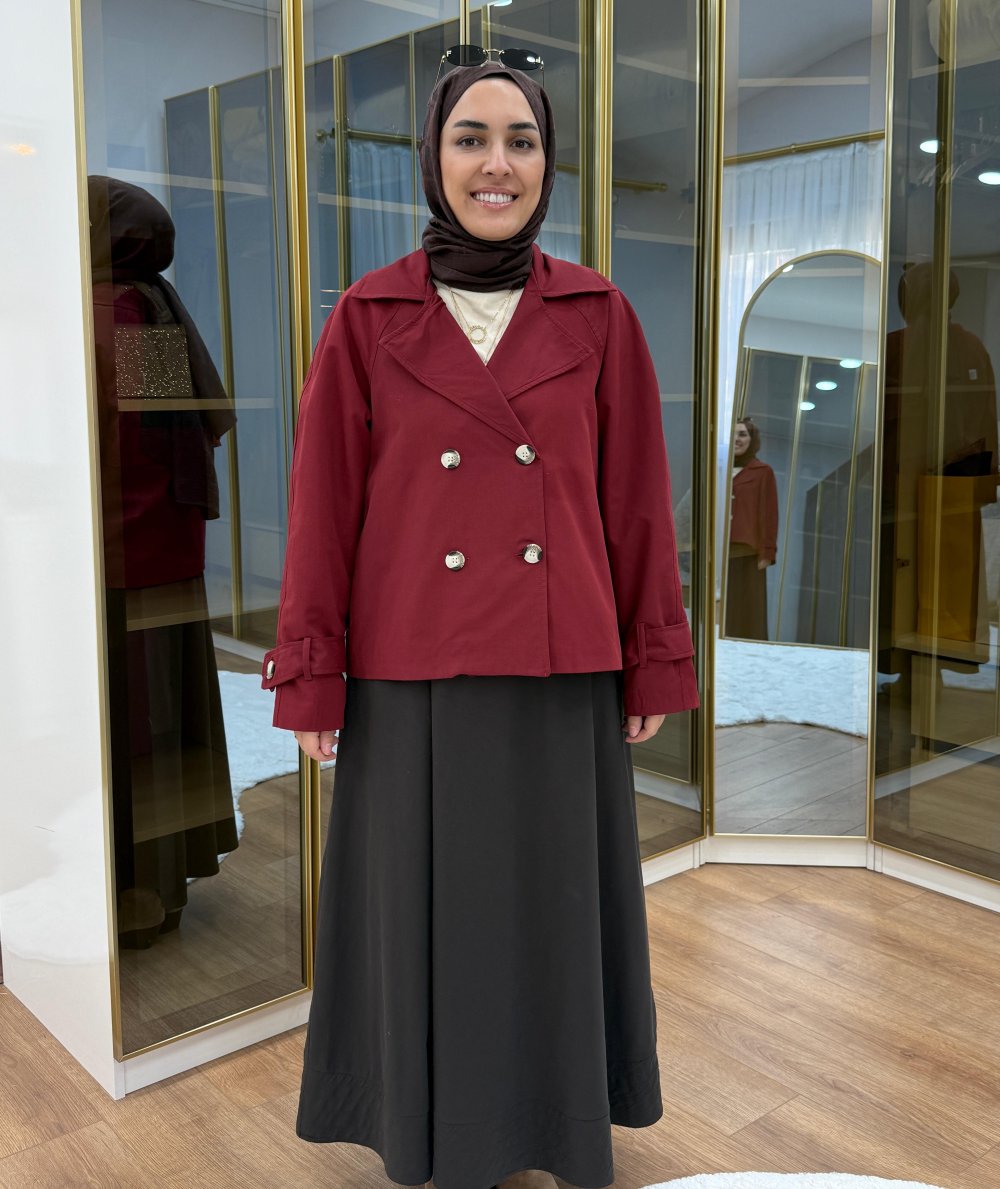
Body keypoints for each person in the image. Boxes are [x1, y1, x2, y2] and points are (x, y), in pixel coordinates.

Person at [261, 60, 699, 1189]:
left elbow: (637, 502)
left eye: (520, 139)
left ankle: (551, 1125)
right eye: (470, 138)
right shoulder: (369, 315)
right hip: (414, 669)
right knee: (434, 914)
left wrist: (653, 658)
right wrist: (310, 673)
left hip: (560, 668)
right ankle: (431, 1129)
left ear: (547, 162)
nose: (496, 163)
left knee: (548, 911)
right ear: (433, 157)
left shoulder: (598, 312)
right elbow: (323, 508)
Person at [89, 176, 239, 950]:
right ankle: (160, 886)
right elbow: (157, 440)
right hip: (161, 550)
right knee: (162, 718)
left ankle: (136, 892)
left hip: (121, 559)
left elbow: (124, 448)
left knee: (134, 727)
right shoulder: (148, 303)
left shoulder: (112, 308)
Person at [724, 416, 778, 641]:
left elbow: (769, 513)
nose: (737, 439)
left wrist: (767, 552)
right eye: (733, 434)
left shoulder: (762, 471)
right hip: (718, 551)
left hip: (747, 553)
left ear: (752, 439)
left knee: (747, 612)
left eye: (743, 434)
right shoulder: (718, 467)